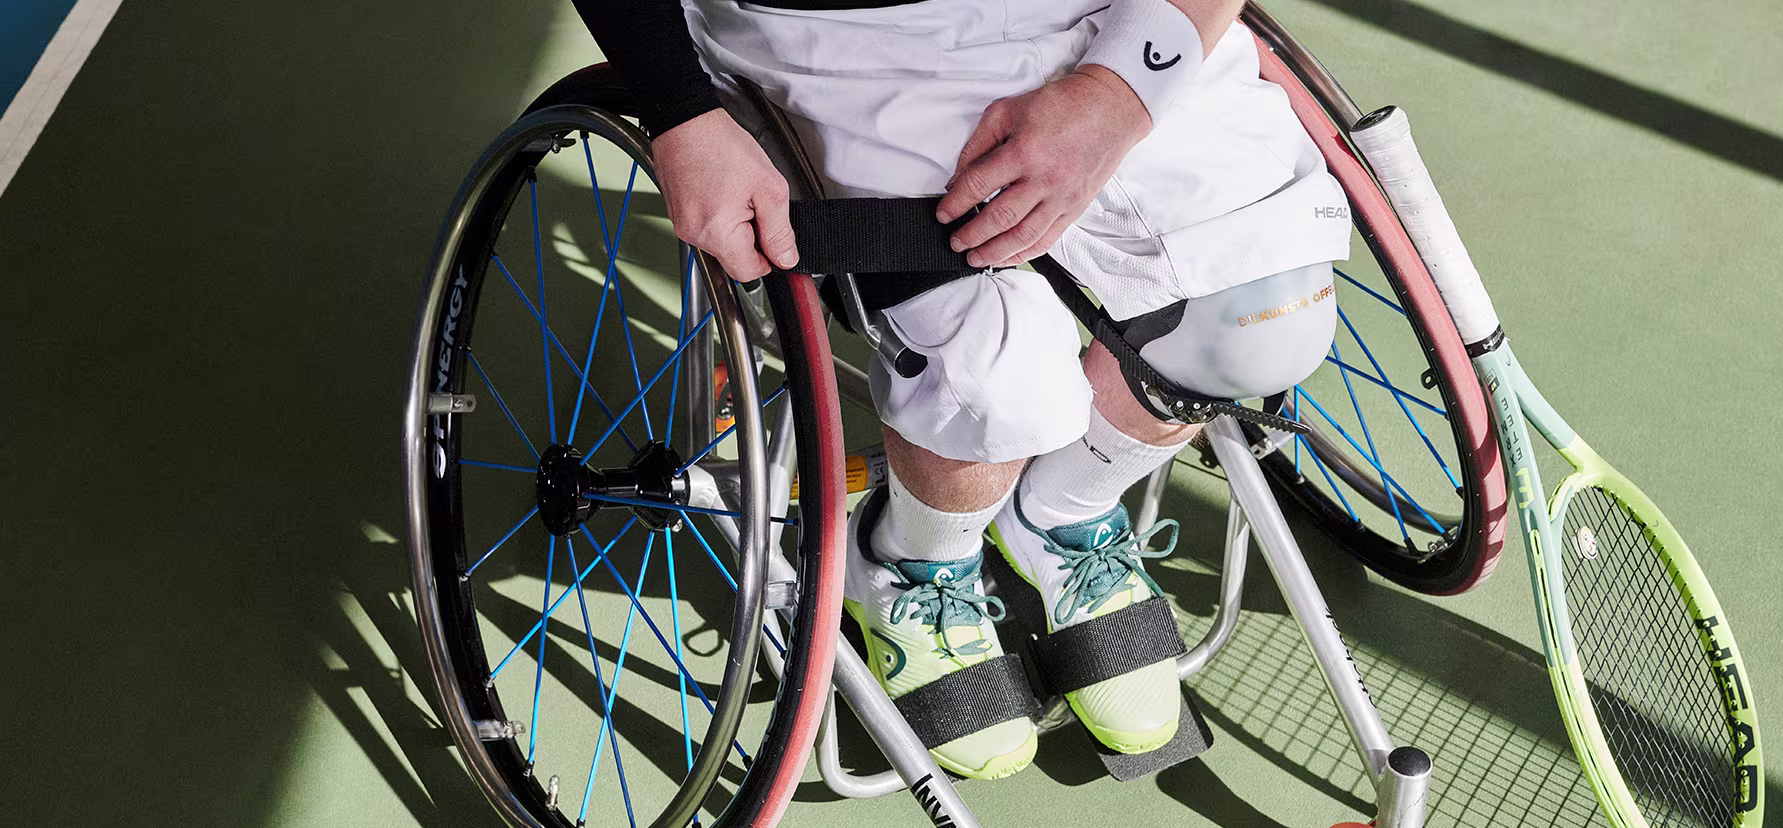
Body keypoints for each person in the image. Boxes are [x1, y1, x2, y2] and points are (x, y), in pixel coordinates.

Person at [572, 0, 1349, 779]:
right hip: (853, 41)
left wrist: (1117, 92)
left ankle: (1060, 512)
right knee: (993, 387)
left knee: (1269, 320)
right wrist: (678, 109)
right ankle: (915, 560)